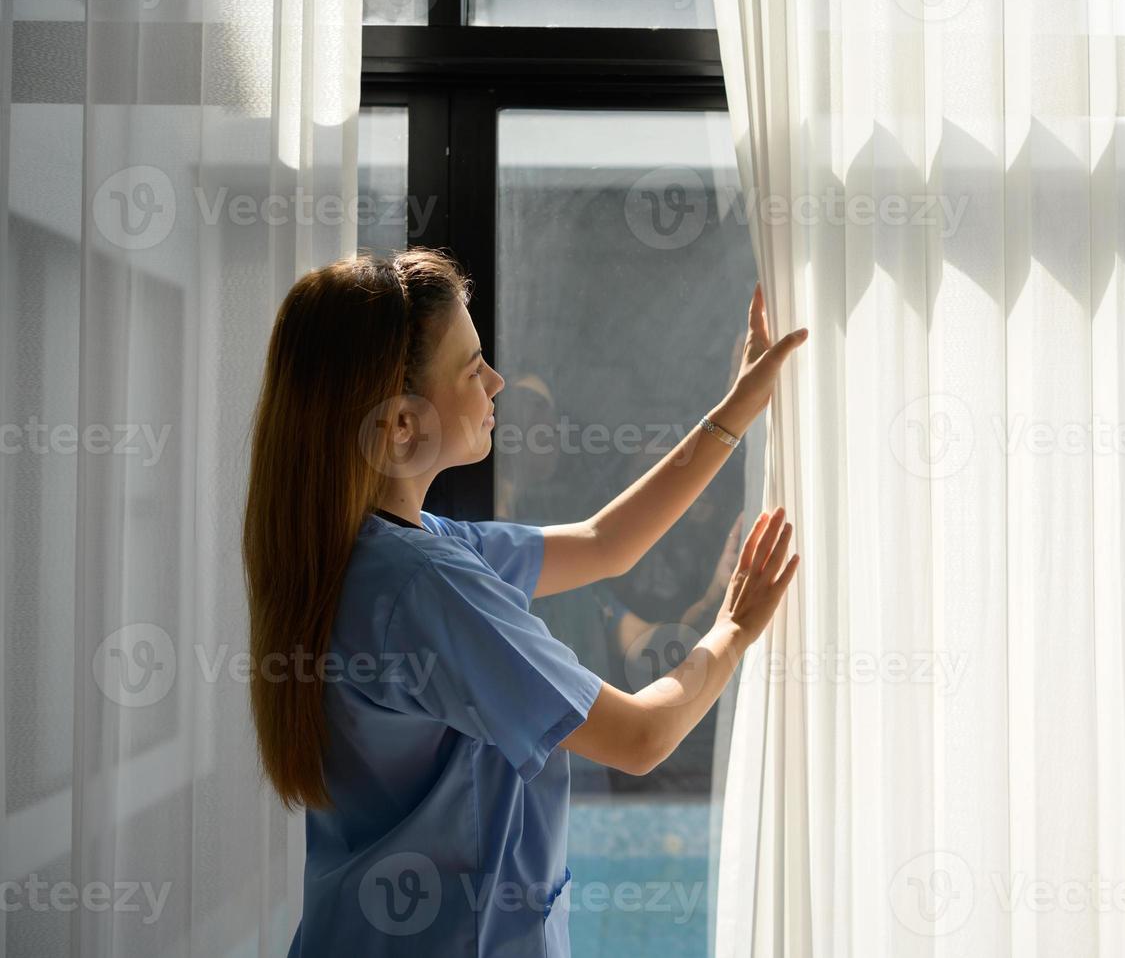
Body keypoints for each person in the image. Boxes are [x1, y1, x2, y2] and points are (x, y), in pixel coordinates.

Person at [241, 248, 807, 957]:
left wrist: (735, 410)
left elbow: (606, 542)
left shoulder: (382, 551)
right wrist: (732, 629)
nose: (497, 382)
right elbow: (638, 738)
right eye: (472, 369)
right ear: (402, 426)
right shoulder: (425, 585)